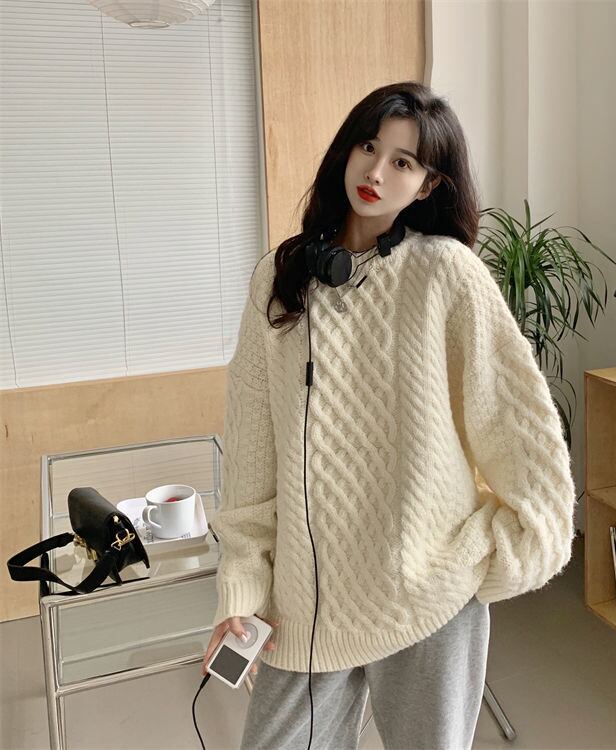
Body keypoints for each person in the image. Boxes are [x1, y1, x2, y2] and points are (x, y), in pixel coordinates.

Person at [200, 81, 577, 749]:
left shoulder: (447, 275)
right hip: (307, 605)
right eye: (368, 148)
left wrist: (493, 559)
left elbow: (520, 432)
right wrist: (242, 590)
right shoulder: (279, 279)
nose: (376, 173)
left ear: (429, 184)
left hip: (427, 597)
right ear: (346, 151)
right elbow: (253, 460)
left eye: (403, 161)